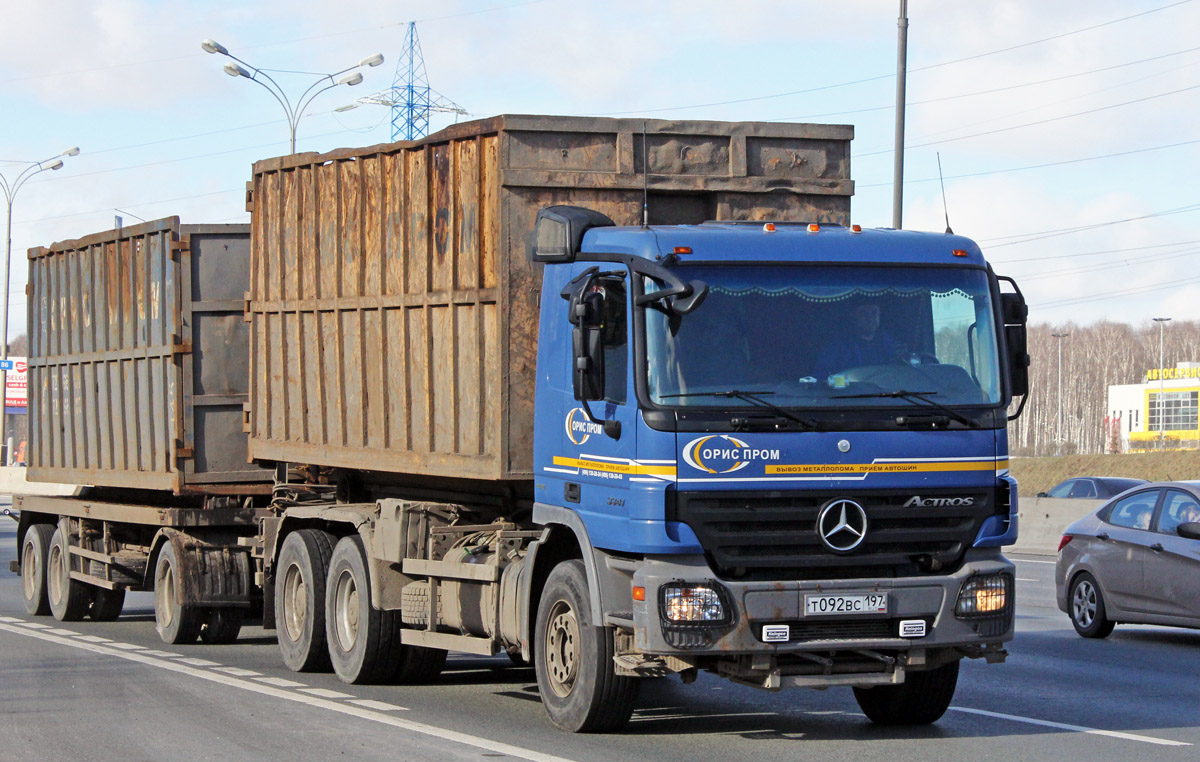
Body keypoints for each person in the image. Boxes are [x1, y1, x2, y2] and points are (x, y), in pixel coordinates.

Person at [813, 296, 902, 380]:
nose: (870, 318)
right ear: (853, 317)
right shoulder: (837, 348)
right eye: (864, 313)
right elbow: (822, 378)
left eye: (874, 312)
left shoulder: (893, 346)